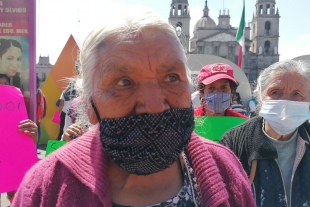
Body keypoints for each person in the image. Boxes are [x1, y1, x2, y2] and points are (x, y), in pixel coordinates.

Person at [12, 7, 255, 207]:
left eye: (171, 77)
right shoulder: (45, 188)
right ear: (89, 102)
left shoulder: (226, 170)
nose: (153, 105)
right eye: (123, 82)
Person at [220, 59, 310, 206]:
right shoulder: (234, 142)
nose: (285, 102)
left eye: (297, 93)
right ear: (260, 98)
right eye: (275, 92)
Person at [0, 73, 38, 205]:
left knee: (15, 197)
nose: (2, 88)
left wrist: (32, 137)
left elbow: (22, 146)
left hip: (11, 167)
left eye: (5, 85)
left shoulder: (15, 108)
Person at [36, 76, 47, 153]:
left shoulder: (40, 95)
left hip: (36, 121)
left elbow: (44, 108)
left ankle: (34, 150)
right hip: (36, 121)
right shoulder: (41, 94)